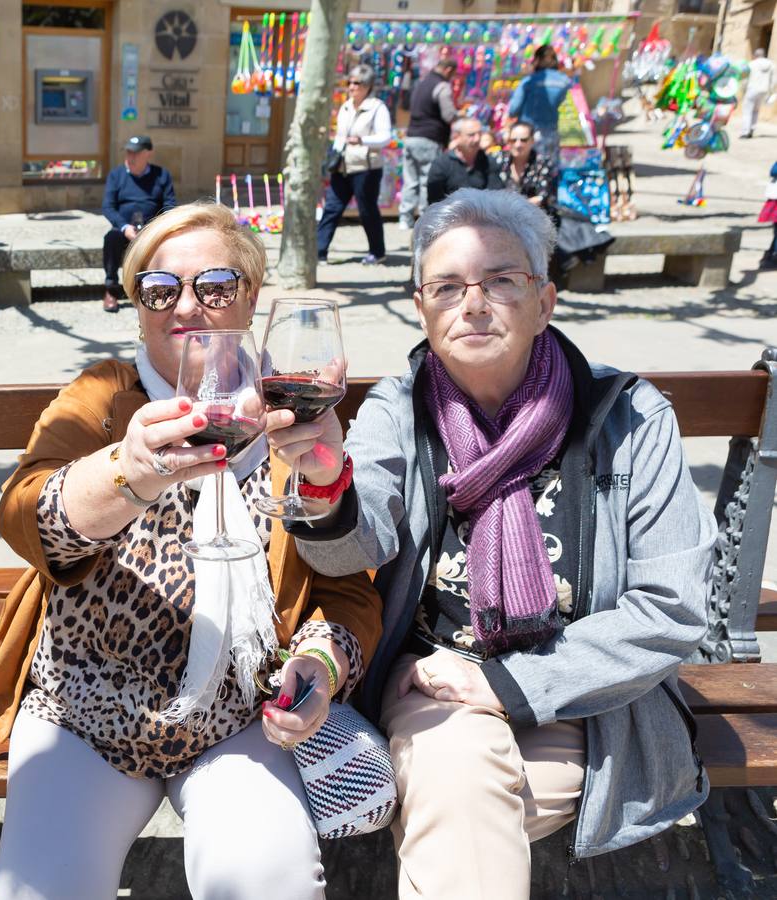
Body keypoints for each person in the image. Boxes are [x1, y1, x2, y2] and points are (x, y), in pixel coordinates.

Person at [285, 188, 714, 896]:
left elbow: (669, 610)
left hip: (585, 697)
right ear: (419, 307)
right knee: (455, 767)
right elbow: (344, 552)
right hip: (431, 684)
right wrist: (327, 484)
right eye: (447, 286)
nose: (473, 303)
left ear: (544, 301)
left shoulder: (629, 416)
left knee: (451, 796)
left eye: (501, 281)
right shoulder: (399, 406)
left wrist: (503, 684)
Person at [0, 200, 381, 899]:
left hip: (239, 717)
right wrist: (125, 472)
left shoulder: (291, 414)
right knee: (38, 891)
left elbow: (347, 586)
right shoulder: (105, 394)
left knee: (268, 884)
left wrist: (318, 663)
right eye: (159, 291)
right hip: (84, 710)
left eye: (214, 286)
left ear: (250, 297)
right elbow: (23, 515)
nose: (185, 307)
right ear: (138, 307)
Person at [317, 65, 392, 266]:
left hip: (365, 168)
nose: (351, 86)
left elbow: (386, 137)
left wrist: (362, 140)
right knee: (332, 207)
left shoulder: (378, 107)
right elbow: (341, 135)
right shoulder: (346, 106)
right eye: (349, 82)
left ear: (367, 86)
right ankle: (319, 252)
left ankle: (377, 252)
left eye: (356, 83)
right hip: (342, 165)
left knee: (367, 210)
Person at [100, 134, 175, 312]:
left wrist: (156, 227)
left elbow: (169, 206)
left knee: (168, 242)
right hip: (124, 228)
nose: (130, 157)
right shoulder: (116, 175)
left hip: (151, 229)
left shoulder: (162, 175)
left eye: (135, 153)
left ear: (148, 153)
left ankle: (155, 289)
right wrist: (125, 227)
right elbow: (108, 207)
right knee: (111, 238)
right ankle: (111, 289)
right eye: (128, 153)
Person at [399, 56, 457, 231]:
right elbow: (448, 115)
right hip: (430, 138)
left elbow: (406, 105)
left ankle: (405, 219)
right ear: (448, 70)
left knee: (410, 181)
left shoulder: (421, 83)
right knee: (427, 180)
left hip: (411, 137)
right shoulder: (442, 86)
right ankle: (425, 219)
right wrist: (461, 116)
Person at [505, 45, 573, 161]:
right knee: (549, 169)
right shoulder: (565, 81)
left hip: (528, 134)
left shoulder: (528, 82)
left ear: (537, 60)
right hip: (552, 132)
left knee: (529, 170)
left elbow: (513, 110)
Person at [426, 116, 502, 205]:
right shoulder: (441, 164)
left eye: (479, 134)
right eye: (471, 135)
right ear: (456, 137)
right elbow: (435, 201)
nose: (477, 139)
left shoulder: (489, 161)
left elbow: (495, 195)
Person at [496, 121, 558, 229]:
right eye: (513, 140)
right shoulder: (499, 160)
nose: (518, 144)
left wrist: (512, 207)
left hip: (535, 223)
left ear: (532, 141)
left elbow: (541, 197)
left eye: (523, 140)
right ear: (508, 141)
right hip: (502, 221)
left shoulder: (542, 163)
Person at [740, 48, 775, 139]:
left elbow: (745, 79)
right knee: (756, 110)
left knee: (747, 111)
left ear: (755, 55)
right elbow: (774, 80)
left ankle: (745, 131)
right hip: (764, 90)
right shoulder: (771, 64)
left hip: (752, 89)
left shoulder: (751, 64)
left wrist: (743, 89)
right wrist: (770, 91)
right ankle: (752, 129)